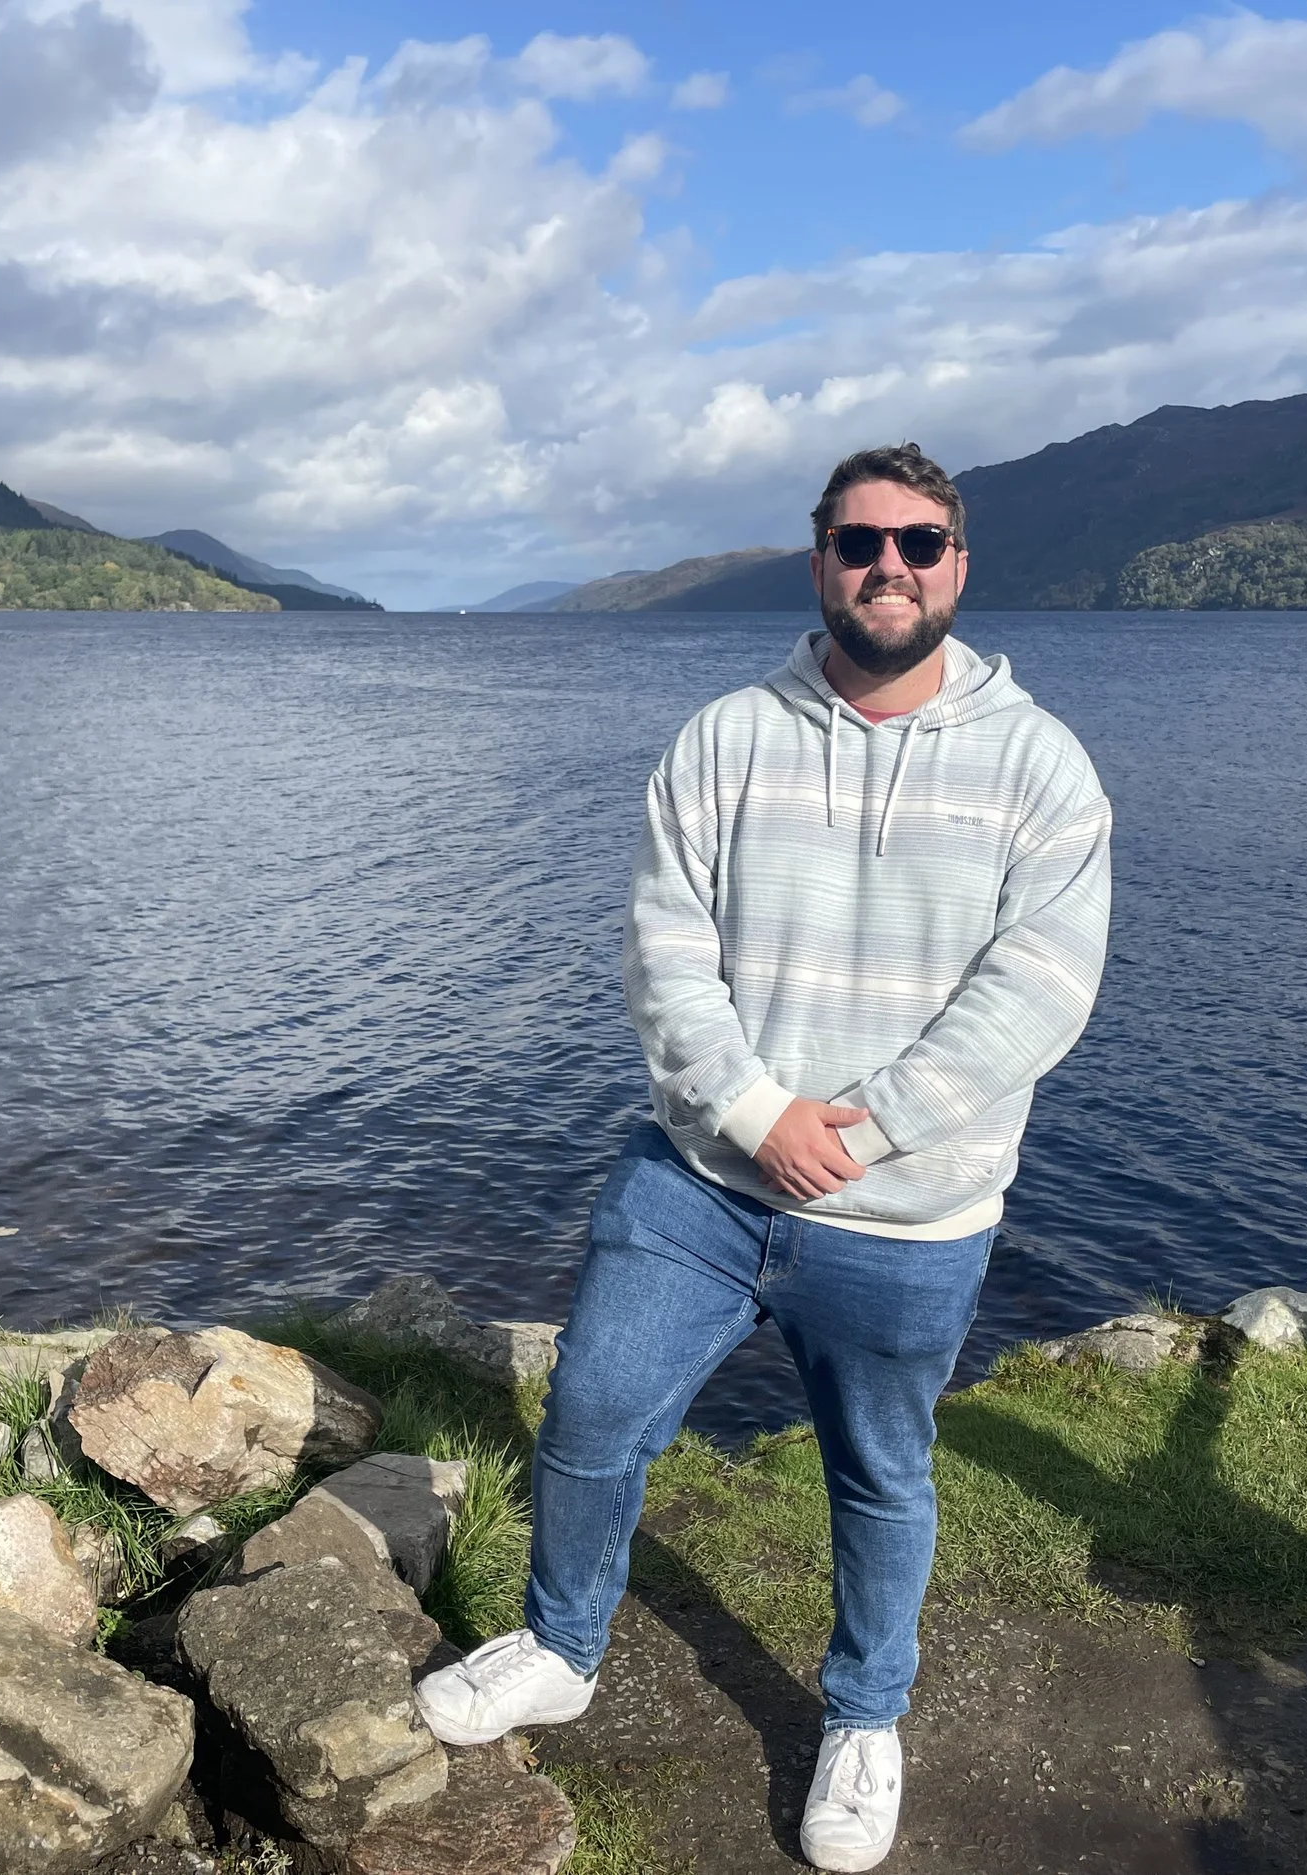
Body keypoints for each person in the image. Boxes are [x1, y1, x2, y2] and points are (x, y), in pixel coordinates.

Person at [414, 442, 1114, 1871]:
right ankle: (562, 1641)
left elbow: (1041, 985)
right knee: (595, 1410)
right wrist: (755, 1114)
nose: (890, 569)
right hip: (700, 1184)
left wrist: (862, 1124)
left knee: (879, 1472)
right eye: (861, 543)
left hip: (910, 1209)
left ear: (959, 565)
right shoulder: (724, 738)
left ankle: (864, 1716)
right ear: (819, 562)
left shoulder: (1042, 765)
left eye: (920, 543)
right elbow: (665, 954)